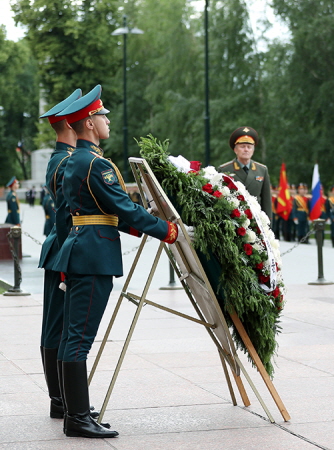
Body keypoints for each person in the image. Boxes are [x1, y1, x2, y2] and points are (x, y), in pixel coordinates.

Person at [53, 85, 179, 438]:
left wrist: (141, 225)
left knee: (71, 337)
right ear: (90, 122)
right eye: (102, 115)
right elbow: (122, 207)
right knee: (79, 339)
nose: (107, 120)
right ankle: (77, 418)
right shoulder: (95, 164)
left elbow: (104, 211)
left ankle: (75, 413)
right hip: (93, 257)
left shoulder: (75, 161)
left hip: (83, 250)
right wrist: (165, 229)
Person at [36, 87, 81, 423]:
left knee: (56, 327)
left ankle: (60, 400)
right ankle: (60, 401)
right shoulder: (66, 162)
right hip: (63, 251)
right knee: (58, 328)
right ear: (70, 123)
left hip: (57, 250)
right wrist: (69, 262)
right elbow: (67, 216)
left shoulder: (60, 159)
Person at [218, 126, 272, 220]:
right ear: (235, 150)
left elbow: (266, 201)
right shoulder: (224, 170)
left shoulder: (262, 170)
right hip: (233, 220)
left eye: (249, 147)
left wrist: (268, 226)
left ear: (253, 150)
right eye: (242, 147)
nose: (246, 150)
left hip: (256, 221)